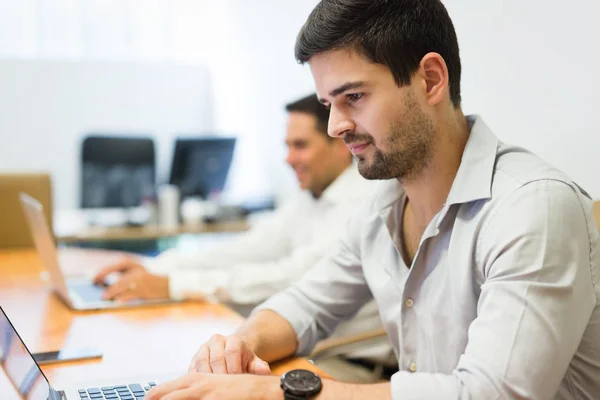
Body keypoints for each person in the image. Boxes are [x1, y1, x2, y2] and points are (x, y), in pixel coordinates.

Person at [146, 0, 600, 399]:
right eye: (329, 104)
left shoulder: (532, 207)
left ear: (430, 79)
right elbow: (306, 304)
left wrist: (273, 394)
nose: (334, 127)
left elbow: (490, 394)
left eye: (354, 98)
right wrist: (239, 345)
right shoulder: (383, 206)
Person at [93, 93, 394, 381]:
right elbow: (251, 248)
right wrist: (158, 268)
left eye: (300, 145)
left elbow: (289, 279)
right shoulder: (311, 195)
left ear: (340, 143)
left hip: (346, 363)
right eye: (287, 146)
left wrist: (173, 285)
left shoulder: (361, 202)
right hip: (306, 350)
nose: (288, 159)